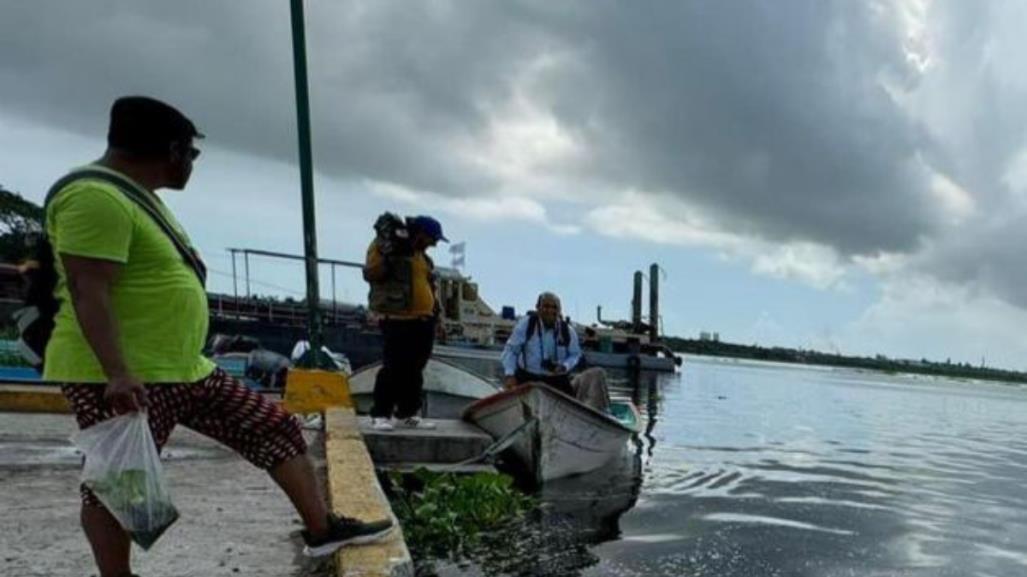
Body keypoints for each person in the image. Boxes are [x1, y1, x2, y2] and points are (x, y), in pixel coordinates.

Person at [45, 96, 392, 577]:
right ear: (171, 149)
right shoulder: (94, 198)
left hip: (185, 368)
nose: (192, 164)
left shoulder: (137, 199)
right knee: (120, 484)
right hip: (129, 373)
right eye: (192, 153)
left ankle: (321, 528)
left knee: (274, 428)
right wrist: (118, 373)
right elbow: (89, 288)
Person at [363, 213, 446, 431]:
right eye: (433, 239)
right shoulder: (387, 246)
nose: (435, 244)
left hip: (423, 320)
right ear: (421, 234)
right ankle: (380, 413)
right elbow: (371, 273)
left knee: (414, 370)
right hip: (398, 319)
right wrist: (390, 254)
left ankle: (407, 412)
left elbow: (430, 287)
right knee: (393, 368)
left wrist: (437, 317)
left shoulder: (422, 257)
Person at [500, 292, 583, 396]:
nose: (550, 310)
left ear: (559, 310)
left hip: (556, 378)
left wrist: (565, 366)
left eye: (554, 307)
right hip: (527, 377)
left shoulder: (567, 330)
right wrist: (509, 375)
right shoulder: (526, 325)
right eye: (546, 306)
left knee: (572, 402)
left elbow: (575, 354)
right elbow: (511, 350)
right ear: (537, 308)